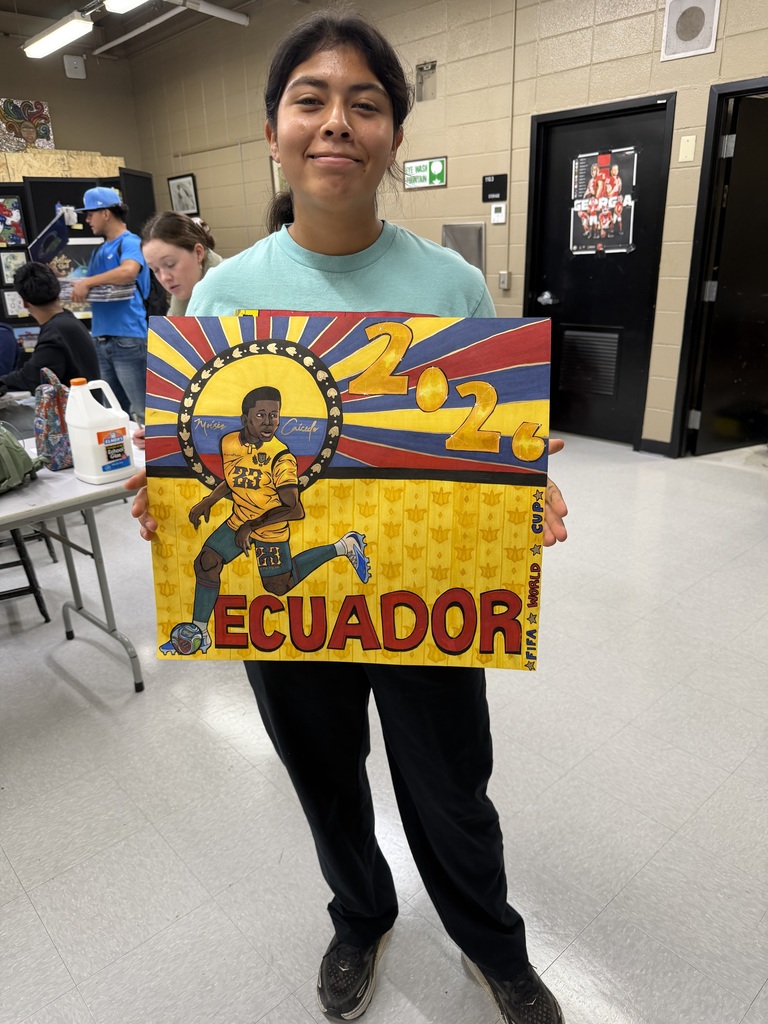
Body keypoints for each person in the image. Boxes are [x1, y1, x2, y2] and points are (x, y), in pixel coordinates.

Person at [127, 11, 569, 1024]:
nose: (337, 123)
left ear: (394, 138)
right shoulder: (225, 295)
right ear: (272, 131)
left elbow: (485, 429)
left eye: (365, 103)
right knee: (326, 776)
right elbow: (195, 447)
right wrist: (160, 484)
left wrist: (525, 478)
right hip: (285, 603)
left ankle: (491, 943)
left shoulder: (451, 282)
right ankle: (360, 916)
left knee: (452, 785)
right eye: (310, 100)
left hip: (423, 586)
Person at [161, 384, 370, 655]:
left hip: (269, 529)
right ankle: (200, 629)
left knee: (277, 587)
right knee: (206, 562)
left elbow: (295, 509)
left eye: (274, 415)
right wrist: (209, 500)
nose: (269, 421)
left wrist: (252, 526)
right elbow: (236, 476)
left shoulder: (282, 458)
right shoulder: (229, 442)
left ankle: (343, 546)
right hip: (240, 520)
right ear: (245, 419)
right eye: (260, 415)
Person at [72, 186, 150, 422]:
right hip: (101, 339)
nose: (87, 220)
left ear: (105, 212)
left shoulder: (130, 242)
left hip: (128, 338)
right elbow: (82, 282)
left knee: (142, 412)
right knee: (114, 413)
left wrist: (87, 282)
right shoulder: (99, 250)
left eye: (90, 214)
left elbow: (128, 271)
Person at [0, 262, 99, 393]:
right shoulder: (67, 321)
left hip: (74, 410)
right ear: (58, 293)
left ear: (24, 303)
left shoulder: (54, 334)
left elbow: (32, 378)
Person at [140, 211, 223, 316]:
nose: (164, 277)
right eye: (155, 270)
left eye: (170, 264)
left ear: (198, 253)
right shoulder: (179, 301)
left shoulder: (236, 289)